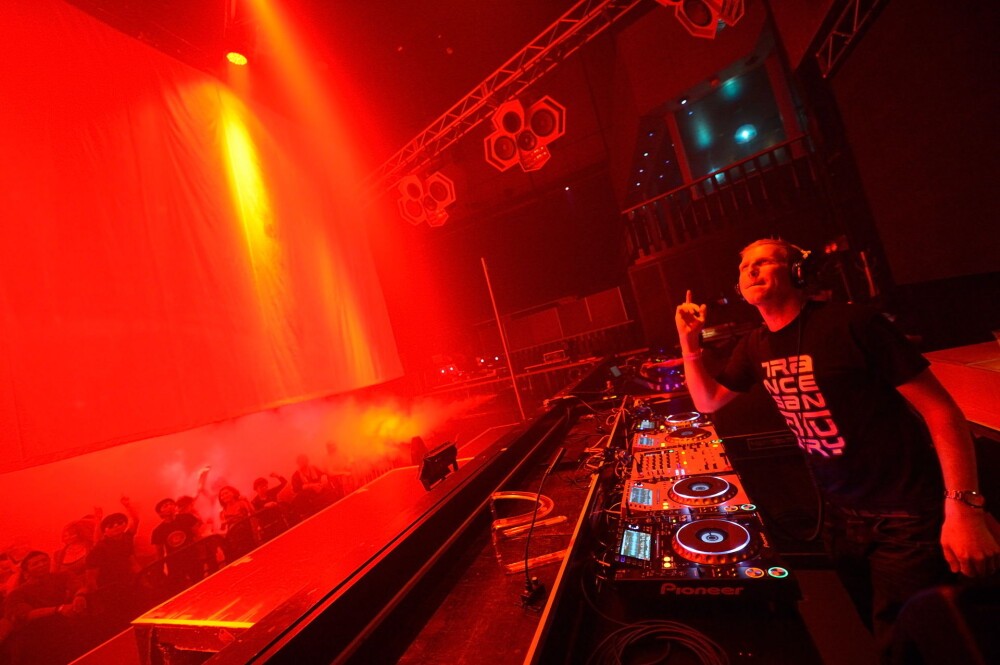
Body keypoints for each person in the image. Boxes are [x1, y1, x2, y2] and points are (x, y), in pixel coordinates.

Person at [674, 238, 1000, 660]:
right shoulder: (754, 346)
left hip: (904, 516)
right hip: (840, 518)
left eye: (764, 262)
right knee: (878, 631)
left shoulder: (853, 323)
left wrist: (965, 508)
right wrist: (689, 344)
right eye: (744, 267)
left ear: (798, 273)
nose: (751, 271)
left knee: (911, 644)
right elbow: (707, 401)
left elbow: (941, 412)